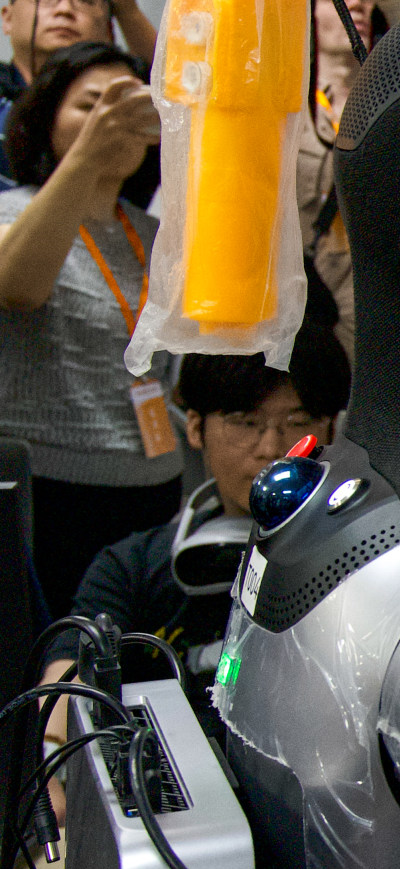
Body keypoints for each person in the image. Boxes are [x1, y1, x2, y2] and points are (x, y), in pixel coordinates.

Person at [39, 323, 349, 820]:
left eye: (299, 420)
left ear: (331, 429)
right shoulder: (133, 566)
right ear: (196, 427)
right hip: (176, 817)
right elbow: (69, 669)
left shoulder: (362, 564)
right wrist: (52, 754)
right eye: (245, 421)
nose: (272, 448)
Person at [0, 41, 172, 617]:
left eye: (128, 107)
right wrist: (86, 156)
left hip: (156, 491)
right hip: (51, 492)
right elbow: (17, 285)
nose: (111, 118)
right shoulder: (13, 211)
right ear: (46, 119)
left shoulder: (157, 235)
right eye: (90, 105)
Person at [296, 0, 382, 353]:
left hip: (373, 298)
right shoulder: (285, 105)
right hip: (306, 298)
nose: (361, 4)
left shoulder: (389, 103)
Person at [0, 0, 155, 183]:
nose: (65, 10)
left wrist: (128, 11)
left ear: (108, 31)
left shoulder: (122, 111)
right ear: (8, 18)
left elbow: (175, 99)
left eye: (86, 1)